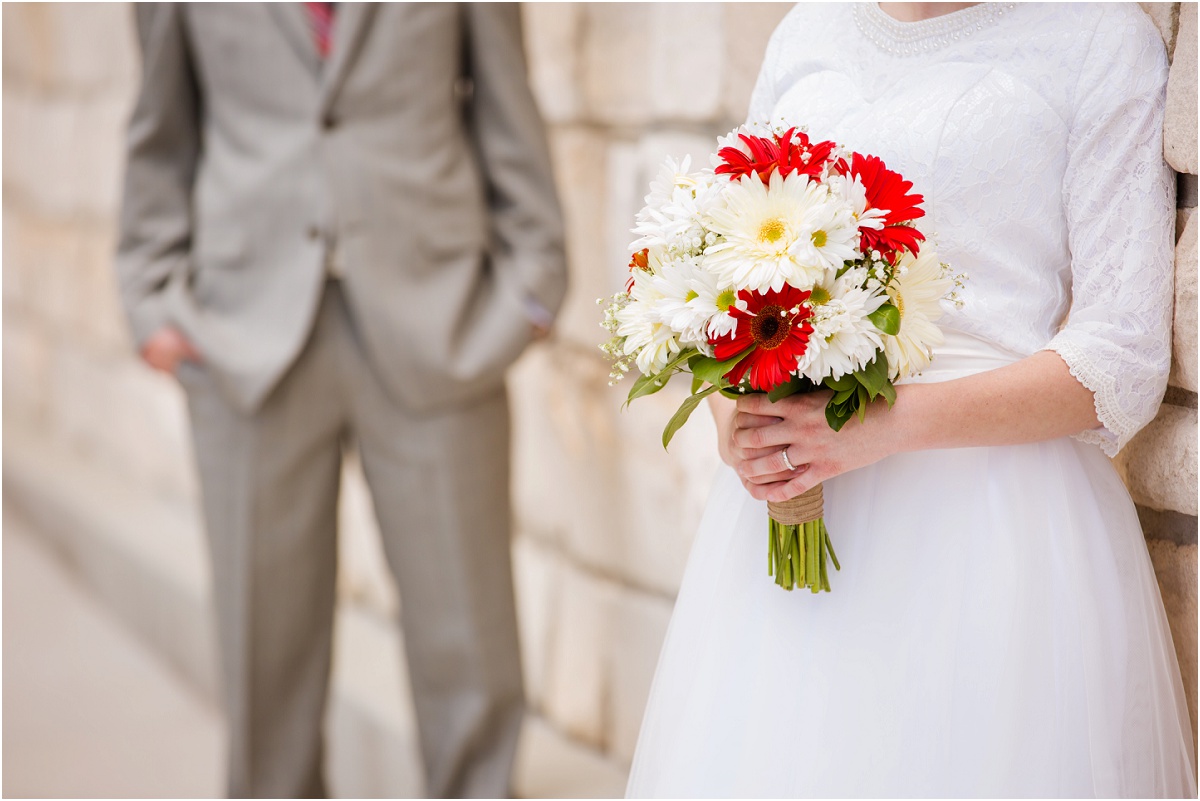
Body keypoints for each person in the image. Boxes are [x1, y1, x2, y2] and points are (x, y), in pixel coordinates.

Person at [626, 3, 1196, 797]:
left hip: (995, 528)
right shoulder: (805, 33)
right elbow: (725, 270)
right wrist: (737, 419)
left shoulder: (1098, 38)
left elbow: (1123, 355)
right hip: (793, 513)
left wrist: (878, 430)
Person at [116, 3, 566, 797]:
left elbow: (506, 100)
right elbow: (161, 124)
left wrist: (530, 288)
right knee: (263, 653)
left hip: (440, 326)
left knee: (470, 645)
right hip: (243, 335)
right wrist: (150, 296)